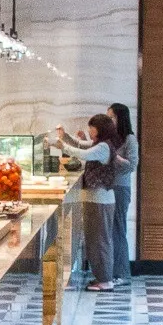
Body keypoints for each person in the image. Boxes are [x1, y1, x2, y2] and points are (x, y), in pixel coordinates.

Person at [55, 112, 119, 290]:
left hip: (100, 200)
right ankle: (102, 278)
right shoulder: (100, 144)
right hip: (96, 200)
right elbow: (81, 145)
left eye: (92, 128)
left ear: (100, 130)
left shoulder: (104, 147)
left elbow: (82, 153)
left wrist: (61, 145)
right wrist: (65, 137)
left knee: (99, 241)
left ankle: (105, 280)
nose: (90, 132)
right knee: (95, 240)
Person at [108, 101, 138, 287]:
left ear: (121, 118)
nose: (109, 121)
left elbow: (132, 165)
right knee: (111, 231)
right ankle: (112, 272)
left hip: (120, 189)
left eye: (112, 117)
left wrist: (115, 157)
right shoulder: (113, 139)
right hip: (109, 188)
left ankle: (122, 274)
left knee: (118, 230)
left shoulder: (130, 139)